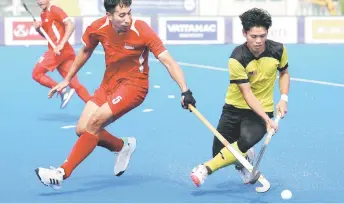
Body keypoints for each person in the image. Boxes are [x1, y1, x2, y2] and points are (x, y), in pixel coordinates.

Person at [35, 0, 196, 190]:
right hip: (107, 85)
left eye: (129, 13)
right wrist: (67, 79)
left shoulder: (141, 30)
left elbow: (168, 61)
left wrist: (185, 90)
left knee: (94, 123)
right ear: (109, 16)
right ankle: (121, 146)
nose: (128, 19)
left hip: (134, 87)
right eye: (122, 15)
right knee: (82, 129)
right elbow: (85, 51)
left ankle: (62, 173)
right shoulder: (97, 28)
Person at [190, 8, 290, 187]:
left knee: (245, 140)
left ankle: (204, 169)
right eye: (253, 36)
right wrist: (269, 120)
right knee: (219, 152)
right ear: (244, 33)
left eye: (262, 35)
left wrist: (283, 98)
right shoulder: (237, 58)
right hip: (234, 107)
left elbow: (284, 73)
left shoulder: (279, 50)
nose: (259, 41)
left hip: (261, 109)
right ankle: (244, 158)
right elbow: (247, 93)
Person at [32, 0, 91, 108]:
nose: (39, 1)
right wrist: (38, 30)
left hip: (58, 52)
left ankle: (62, 90)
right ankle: (94, 107)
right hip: (63, 52)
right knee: (75, 84)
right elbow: (48, 37)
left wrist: (61, 44)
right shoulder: (43, 14)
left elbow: (71, 24)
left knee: (36, 74)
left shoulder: (54, 9)